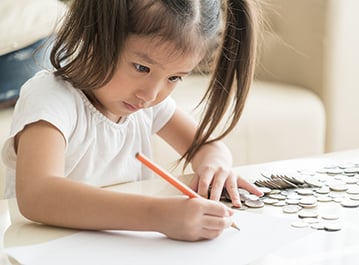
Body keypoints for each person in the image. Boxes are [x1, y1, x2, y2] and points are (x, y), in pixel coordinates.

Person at [1, 0, 263, 241]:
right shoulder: (51, 98)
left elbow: (206, 146)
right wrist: (157, 215)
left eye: (174, 78)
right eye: (141, 68)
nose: (149, 95)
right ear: (94, 35)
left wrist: (215, 165)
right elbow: (39, 195)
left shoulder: (145, 105)